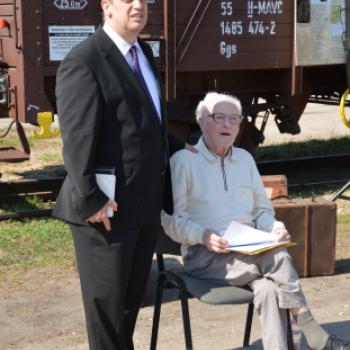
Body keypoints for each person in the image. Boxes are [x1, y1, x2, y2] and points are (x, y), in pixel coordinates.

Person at [52, 0, 197, 348]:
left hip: (143, 209)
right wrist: (91, 200)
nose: (139, 5)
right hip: (105, 212)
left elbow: (145, 122)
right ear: (107, 7)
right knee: (106, 316)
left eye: (143, 0)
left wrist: (179, 147)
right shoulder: (84, 60)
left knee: (128, 312)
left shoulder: (142, 51)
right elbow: (76, 141)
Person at [161, 92, 350, 350]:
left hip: (250, 253)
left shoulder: (245, 160)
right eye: (219, 117)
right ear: (202, 122)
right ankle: (313, 333)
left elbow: (262, 211)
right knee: (275, 256)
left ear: (240, 126)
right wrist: (203, 235)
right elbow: (171, 220)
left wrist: (275, 229)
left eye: (234, 119)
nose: (227, 124)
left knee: (268, 289)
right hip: (205, 256)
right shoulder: (183, 161)